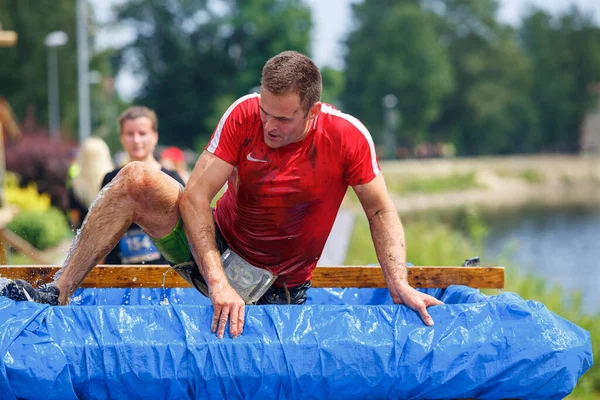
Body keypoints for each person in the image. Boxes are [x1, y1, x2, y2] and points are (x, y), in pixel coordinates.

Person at [1, 51, 442, 339]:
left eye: (284, 119)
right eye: (265, 110)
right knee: (136, 176)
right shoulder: (244, 115)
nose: (270, 125)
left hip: (280, 287)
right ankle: (57, 291)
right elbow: (194, 198)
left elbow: (380, 209)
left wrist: (397, 282)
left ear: (313, 111)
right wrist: (218, 282)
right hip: (213, 253)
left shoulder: (348, 137)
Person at [102, 106, 185, 264]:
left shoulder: (171, 178)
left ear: (155, 136)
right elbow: (101, 230)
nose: (136, 140)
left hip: (164, 273)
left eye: (142, 133)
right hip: (119, 274)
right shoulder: (110, 179)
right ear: (121, 137)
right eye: (130, 134)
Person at [67, 137, 114, 230]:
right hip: (112, 236)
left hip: (86, 237)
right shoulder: (113, 181)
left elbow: (74, 219)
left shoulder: (75, 186)